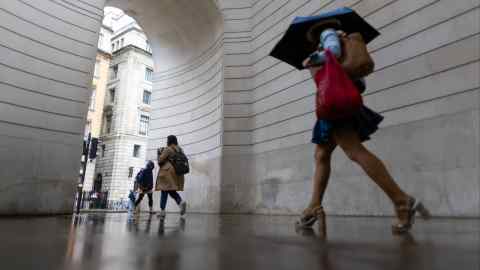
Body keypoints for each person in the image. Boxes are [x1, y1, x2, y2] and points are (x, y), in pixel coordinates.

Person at [297, 19, 430, 234]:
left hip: (335, 107)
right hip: (335, 105)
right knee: (322, 154)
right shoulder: (340, 37)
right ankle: (314, 205)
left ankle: (402, 200)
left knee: (355, 151)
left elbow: (333, 51)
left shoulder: (328, 34)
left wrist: (312, 59)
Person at [155, 135, 187, 219]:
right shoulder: (180, 149)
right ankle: (180, 202)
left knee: (164, 190)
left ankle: (162, 211)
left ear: (170, 141)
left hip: (167, 172)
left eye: (167, 140)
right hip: (177, 173)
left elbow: (160, 160)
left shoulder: (168, 149)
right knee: (171, 190)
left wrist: (159, 153)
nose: (166, 141)